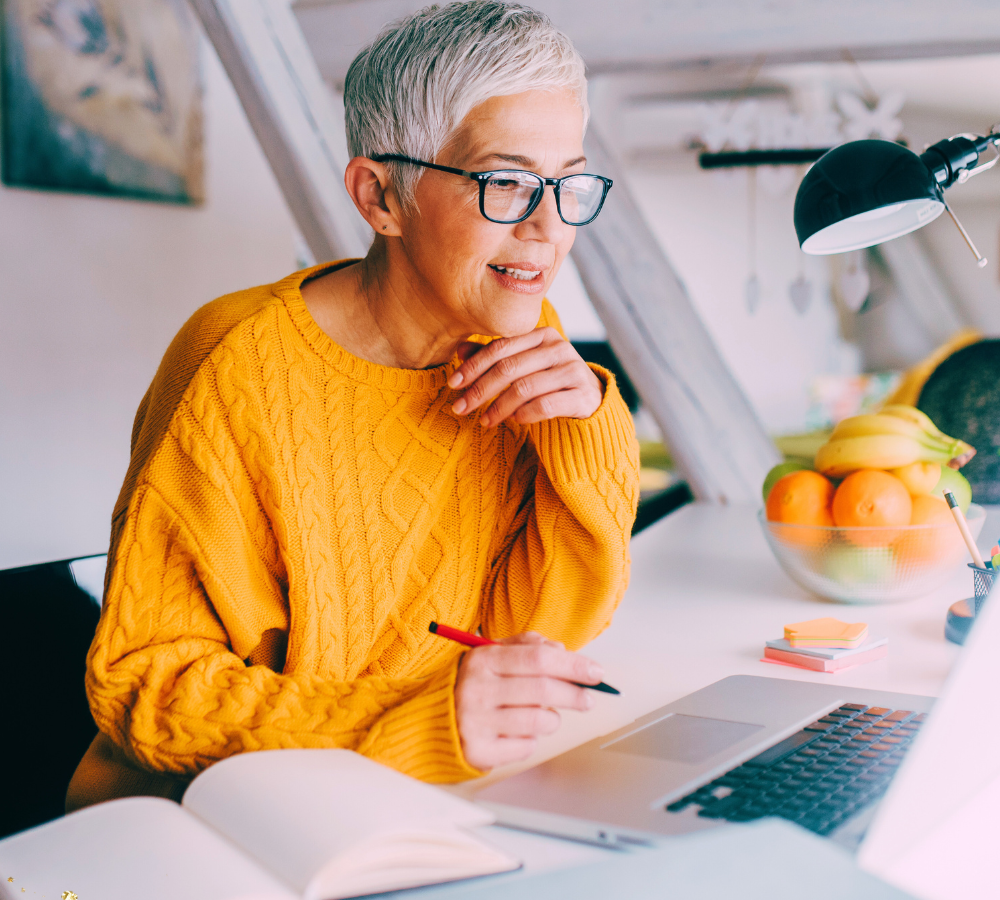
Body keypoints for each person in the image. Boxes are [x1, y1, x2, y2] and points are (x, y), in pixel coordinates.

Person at [64, 1, 639, 811]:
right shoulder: (236, 363)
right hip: (200, 816)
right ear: (381, 198)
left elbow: (540, 632)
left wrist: (587, 430)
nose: (549, 227)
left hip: (403, 796)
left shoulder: (510, 339)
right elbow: (148, 687)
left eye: (568, 182)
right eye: (506, 182)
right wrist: (409, 722)